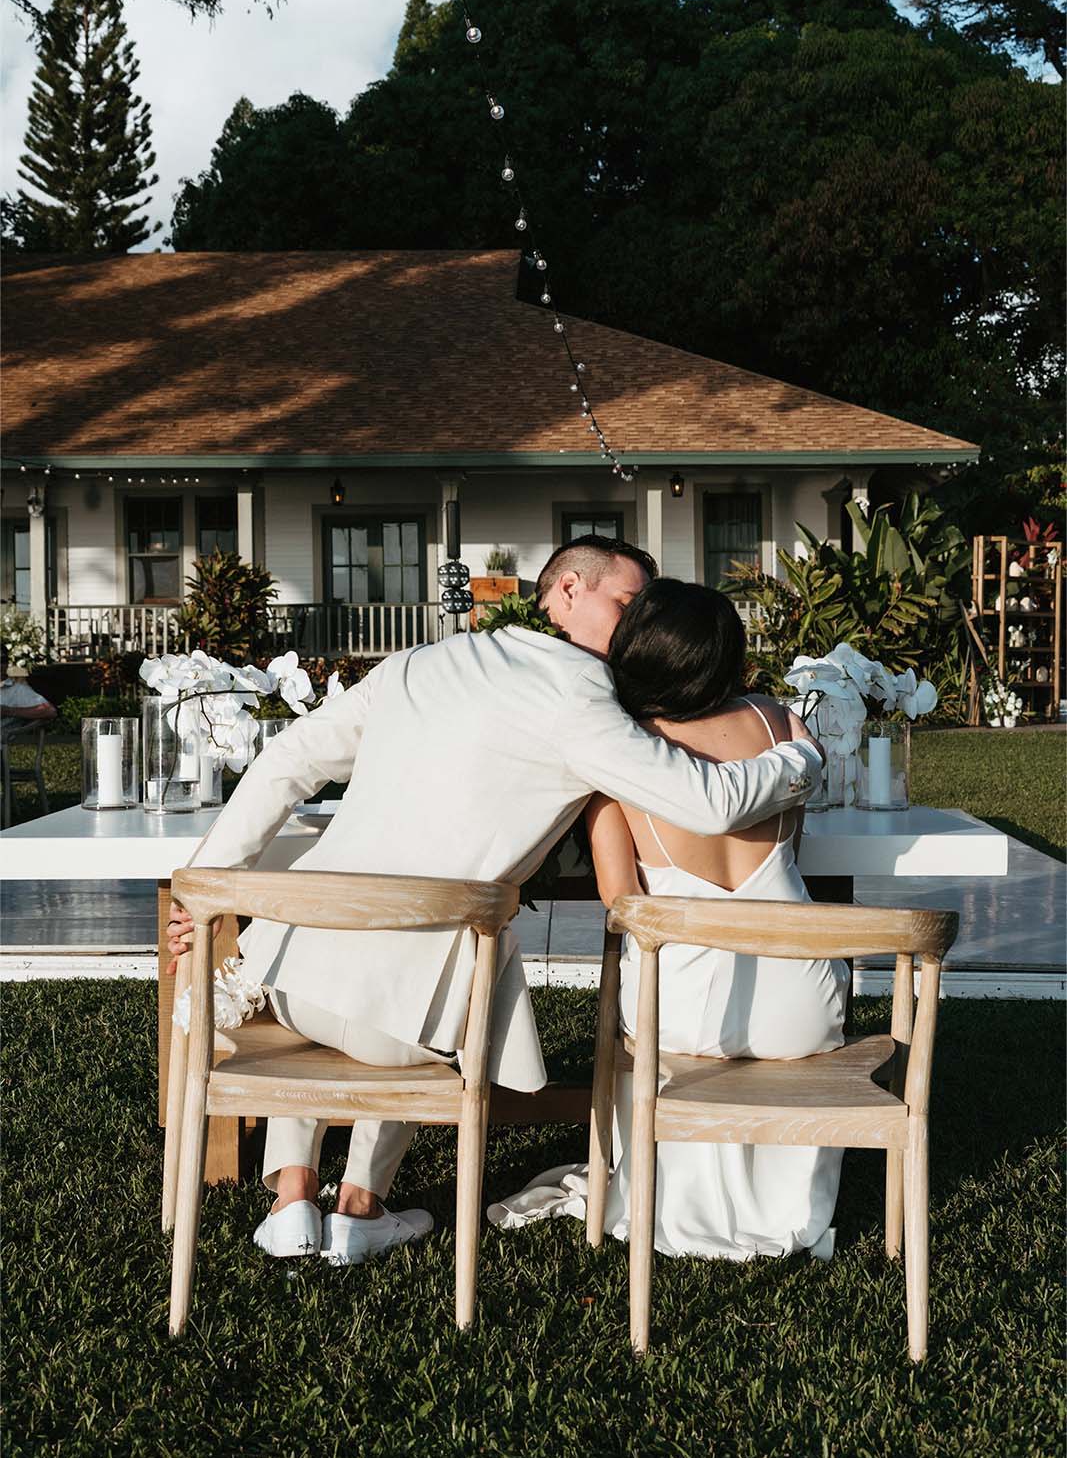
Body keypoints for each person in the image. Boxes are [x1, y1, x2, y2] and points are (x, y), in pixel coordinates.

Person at [168, 538, 824, 1267]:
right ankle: (358, 1207)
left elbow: (288, 761)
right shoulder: (584, 701)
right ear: (568, 590)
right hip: (408, 1024)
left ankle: (294, 1197)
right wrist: (800, 755)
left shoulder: (420, 661)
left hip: (291, 978)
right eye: (627, 602)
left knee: (333, 993)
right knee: (410, 997)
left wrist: (207, 887)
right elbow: (706, 802)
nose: (641, 622)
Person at [490, 580, 847, 1260]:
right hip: (799, 1004)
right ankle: (785, 1211)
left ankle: (671, 1195)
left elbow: (621, 902)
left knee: (652, 1006)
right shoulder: (778, 725)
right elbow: (788, 845)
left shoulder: (619, 755)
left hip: (681, 1010)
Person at [0, 643, 56, 744]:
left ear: (7, 663)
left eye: (2, 660)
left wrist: (7, 711)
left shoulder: (17, 690)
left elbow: (49, 711)